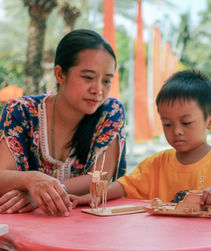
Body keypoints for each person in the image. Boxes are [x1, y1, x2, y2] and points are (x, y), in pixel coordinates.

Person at [71, 70, 211, 213]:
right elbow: (124, 187)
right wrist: (91, 197)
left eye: (186, 123)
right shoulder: (156, 163)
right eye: (167, 124)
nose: (177, 131)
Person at [0, 29, 126, 217]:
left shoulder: (110, 112)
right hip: (25, 227)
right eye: (88, 77)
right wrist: (31, 180)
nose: (98, 90)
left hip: (89, 229)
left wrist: (39, 194)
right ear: (60, 74)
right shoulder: (21, 111)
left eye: (107, 81)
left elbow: (101, 178)